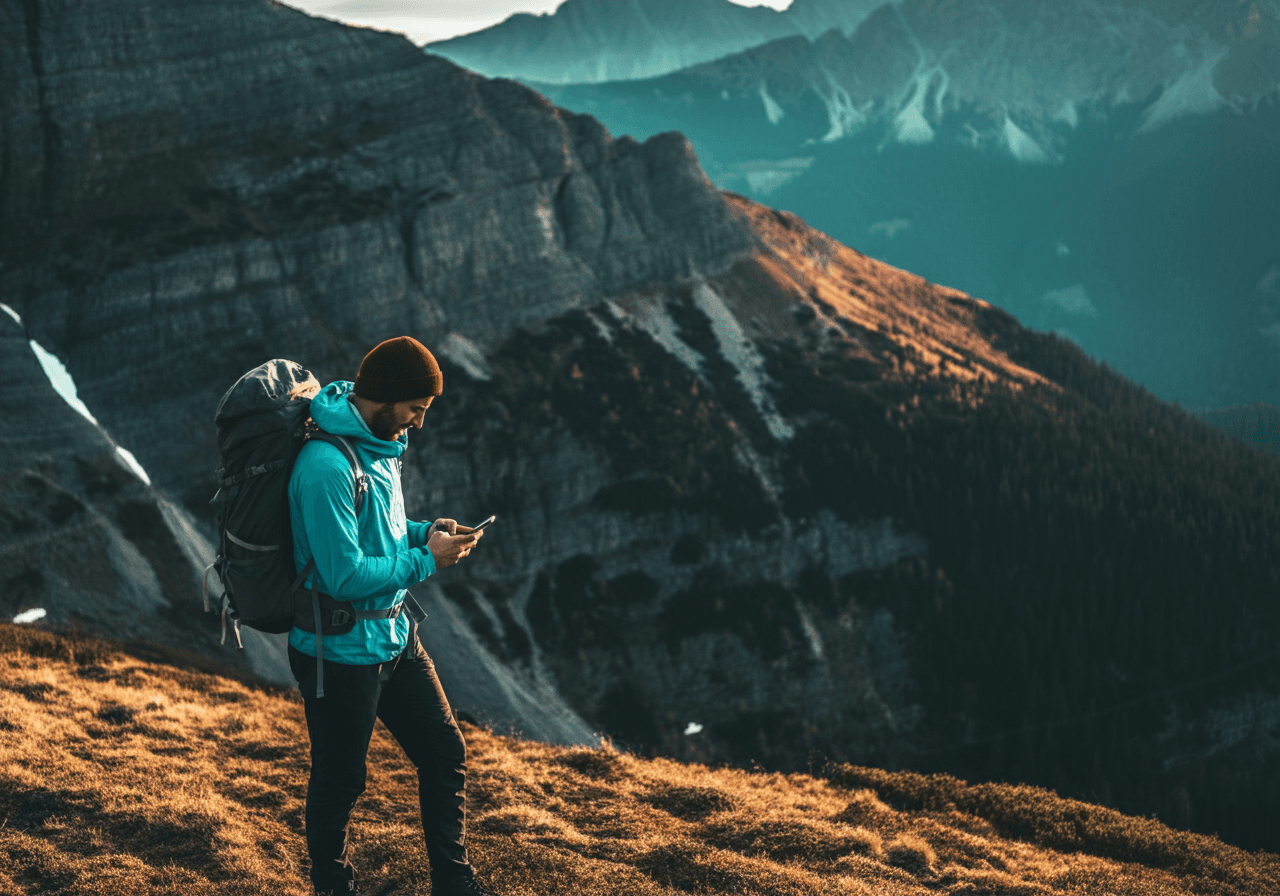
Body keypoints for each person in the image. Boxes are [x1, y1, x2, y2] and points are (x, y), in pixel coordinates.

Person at [287, 335, 496, 896]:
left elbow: (380, 533)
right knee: (342, 779)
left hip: (394, 637)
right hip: (339, 650)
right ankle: (332, 886)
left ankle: (453, 883)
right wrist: (428, 559)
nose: (419, 424)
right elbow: (344, 577)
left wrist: (427, 531)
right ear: (384, 398)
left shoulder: (380, 446)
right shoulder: (325, 466)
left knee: (444, 752)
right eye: (415, 410)